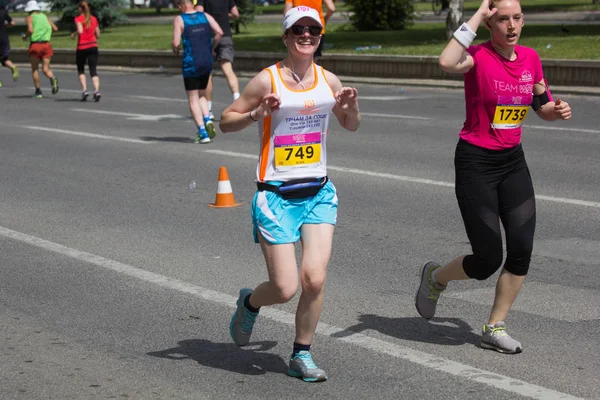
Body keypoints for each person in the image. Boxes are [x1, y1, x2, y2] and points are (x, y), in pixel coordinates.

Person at [415, 0, 572, 354]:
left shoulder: (531, 58)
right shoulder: (478, 57)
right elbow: (445, 61)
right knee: (487, 260)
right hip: (476, 163)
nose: (512, 26)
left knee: (521, 249)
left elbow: (541, 104)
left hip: (512, 162)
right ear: (489, 24)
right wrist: (476, 15)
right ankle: (436, 277)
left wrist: (555, 110)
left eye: (517, 18)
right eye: (502, 19)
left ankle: (494, 326)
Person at [220, 6, 360, 382]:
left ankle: (301, 355)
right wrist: (256, 115)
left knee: (315, 279)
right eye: (298, 29)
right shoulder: (267, 81)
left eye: (313, 30)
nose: (306, 35)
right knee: (284, 287)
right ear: (285, 36)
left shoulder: (328, 79)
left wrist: (351, 107)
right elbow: (225, 121)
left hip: (318, 193)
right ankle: (250, 303)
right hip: (276, 195)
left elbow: (350, 124)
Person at [172, 0, 222, 143]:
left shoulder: (180, 19)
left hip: (191, 63)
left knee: (193, 98)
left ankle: (202, 132)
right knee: (202, 95)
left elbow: (176, 43)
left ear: (181, 5)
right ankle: (207, 119)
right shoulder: (205, 16)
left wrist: (175, 49)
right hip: (206, 61)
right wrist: (212, 47)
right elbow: (219, 32)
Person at [194, 0, 240, 120]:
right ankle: (237, 99)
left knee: (208, 74)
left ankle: (208, 109)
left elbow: (199, 13)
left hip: (208, 36)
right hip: (226, 35)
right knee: (228, 69)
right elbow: (235, 13)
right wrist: (225, 16)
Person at [23, 0, 58, 98]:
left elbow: (30, 30)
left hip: (36, 45)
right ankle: (52, 78)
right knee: (46, 69)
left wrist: (25, 36)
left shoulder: (29, 18)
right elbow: (55, 28)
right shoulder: (45, 16)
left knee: (35, 69)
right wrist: (45, 34)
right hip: (46, 44)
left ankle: (38, 92)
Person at [70, 1, 101, 102]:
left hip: (82, 47)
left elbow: (80, 31)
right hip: (93, 46)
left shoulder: (78, 18)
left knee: (81, 69)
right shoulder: (94, 19)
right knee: (93, 70)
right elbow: (98, 34)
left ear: (80, 8)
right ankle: (96, 91)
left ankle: (84, 90)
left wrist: (74, 35)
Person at [0, 3, 19, 88]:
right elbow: (13, 23)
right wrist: (5, 26)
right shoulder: (4, 13)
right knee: (4, 58)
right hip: (4, 38)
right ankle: (13, 67)